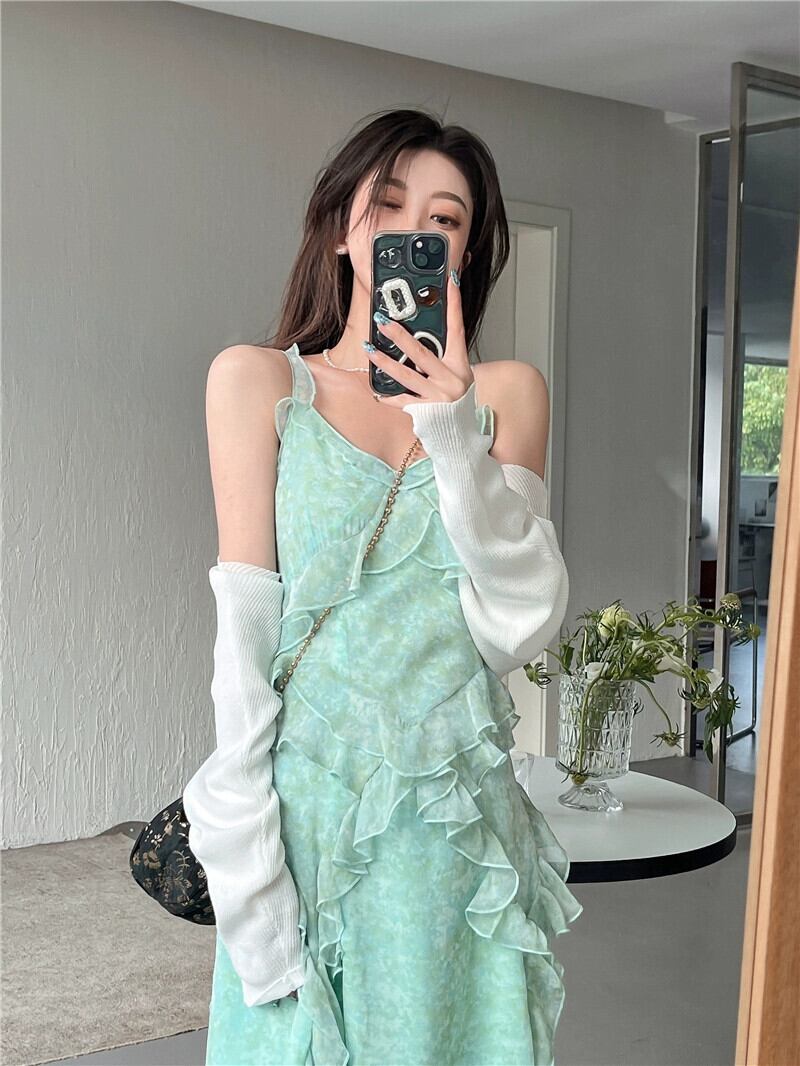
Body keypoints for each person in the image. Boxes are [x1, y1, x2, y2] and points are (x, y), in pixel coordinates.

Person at [182, 107, 584, 1066]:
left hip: (456, 822)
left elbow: (518, 623)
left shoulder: (507, 396)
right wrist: (248, 870)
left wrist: (452, 435)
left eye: (445, 219)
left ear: (465, 253)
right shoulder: (257, 382)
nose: (416, 230)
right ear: (341, 226)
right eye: (391, 204)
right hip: (310, 814)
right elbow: (246, 636)